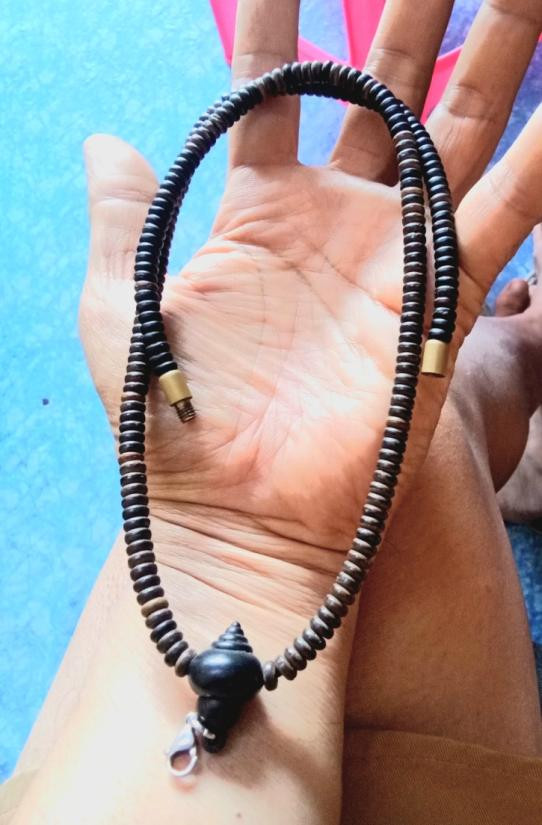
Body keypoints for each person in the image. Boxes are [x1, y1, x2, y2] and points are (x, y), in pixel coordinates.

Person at [3, 1, 542, 823]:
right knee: (434, 414)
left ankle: (506, 364)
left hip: (103, 767)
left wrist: (222, 540)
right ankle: (520, 357)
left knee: (428, 406)